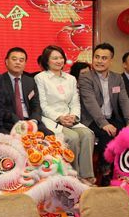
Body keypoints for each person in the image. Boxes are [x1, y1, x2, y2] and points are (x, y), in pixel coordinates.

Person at [35, 45, 95, 183]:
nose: (59, 61)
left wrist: (74, 116)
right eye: (54, 58)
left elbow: (75, 101)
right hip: (51, 118)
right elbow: (42, 105)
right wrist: (59, 118)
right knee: (72, 138)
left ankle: (86, 175)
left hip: (69, 118)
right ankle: (72, 176)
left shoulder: (70, 79)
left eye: (61, 57)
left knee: (87, 134)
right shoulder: (40, 78)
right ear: (47, 61)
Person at [78, 43, 129, 185]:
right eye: (97, 57)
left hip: (112, 118)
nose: (99, 61)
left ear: (111, 61)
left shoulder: (117, 78)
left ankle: (126, 170)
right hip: (91, 119)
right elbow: (90, 103)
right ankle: (105, 171)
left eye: (104, 58)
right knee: (106, 134)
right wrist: (104, 124)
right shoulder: (85, 77)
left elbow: (124, 100)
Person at [0, 47, 51, 135]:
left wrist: (33, 121)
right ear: (7, 62)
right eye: (14, 59)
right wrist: (18, 121)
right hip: (10, 122)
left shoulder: (30, 81)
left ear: (25, 63)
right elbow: (1, 107)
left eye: (21, 60)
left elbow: (36, 105)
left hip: (30, 121)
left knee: (49, 136)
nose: (18, 62)